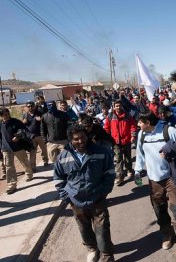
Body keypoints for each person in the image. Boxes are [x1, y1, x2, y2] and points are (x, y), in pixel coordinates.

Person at [54, 124, 115, 262]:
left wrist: (104, 192)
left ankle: (106, 255)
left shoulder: (101, 151)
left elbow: (109, 173)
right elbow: (58, 179)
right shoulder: (63, 157)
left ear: (87, 136)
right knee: (84, 228)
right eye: (76, 139)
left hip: (97, 198)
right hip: (77, 202)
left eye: (82, 137)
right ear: (70, 140)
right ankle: (92, 249)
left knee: (103, 229)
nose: (80, 141)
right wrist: (67, 197)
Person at [134, 111, 176, 250]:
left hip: (172, 177)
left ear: (148, 123)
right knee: (159, 209)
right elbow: (140, 154)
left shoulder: (169, 131)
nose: (137, 124)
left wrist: (171, 150)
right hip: (154, 180)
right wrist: (137, 171)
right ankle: (167, 234)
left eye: (140, 122)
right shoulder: (142, 134)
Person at [0, 108, 34, 194]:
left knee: (24, 162)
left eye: (8, 114)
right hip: (6, 149)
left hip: (18, 147)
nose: (7, 116)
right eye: (5, 115)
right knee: (9, 166)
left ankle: (29, 174)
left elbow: (24, 130)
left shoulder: (15, 121)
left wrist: (18, 136)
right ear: (1, 116)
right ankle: (12, 185)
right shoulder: (0, 125)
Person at [104, 99, 136, 185]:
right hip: (115, 142)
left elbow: (133, 126)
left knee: (127, 157)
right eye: (116, 106)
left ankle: (129, 170)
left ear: (122, 106)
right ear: (114, 107)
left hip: (126, 140)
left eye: (119, 106)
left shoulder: (127, 115)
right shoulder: (110, 116)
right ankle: (120, 177)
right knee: (118, 159)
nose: (118, 107)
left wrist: (133, 136)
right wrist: (107, 139)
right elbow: (106, 128)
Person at [22, 101, 49, 171]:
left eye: (31, 106)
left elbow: (45, 122)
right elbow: (22, 126)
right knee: (32, 152)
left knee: (44, 150)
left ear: (34, 106)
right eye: (28, 106)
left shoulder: (39, 113)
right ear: (26, 107)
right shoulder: (25, 115)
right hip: (31, 137)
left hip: (40, 135)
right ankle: (33, 167)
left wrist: (40, 120)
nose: (30, 108)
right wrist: (23, 122)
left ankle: (46, 161)